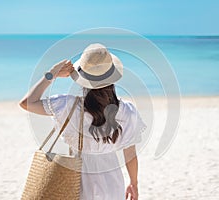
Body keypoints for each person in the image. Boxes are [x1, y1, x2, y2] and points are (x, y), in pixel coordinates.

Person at [19, 43, 146, 200]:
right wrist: (134, 184)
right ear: (112, 77)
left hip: (78, 183)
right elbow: (130, 154)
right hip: (113, 185)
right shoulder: (127, 111)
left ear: (82, 78)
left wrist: (52, 74)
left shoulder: (67, 106)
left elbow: (26, 103)